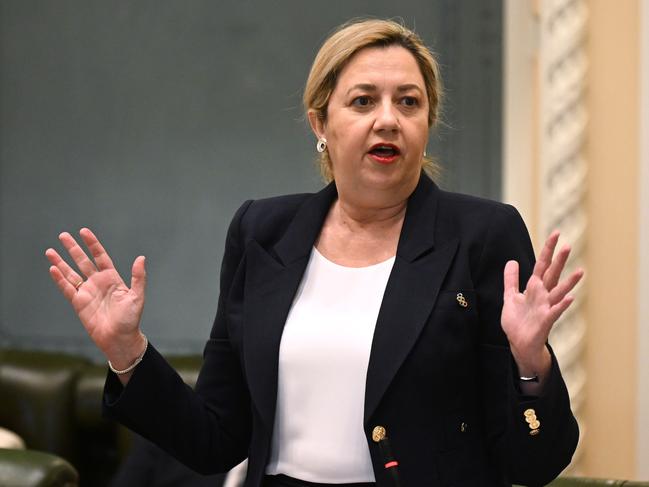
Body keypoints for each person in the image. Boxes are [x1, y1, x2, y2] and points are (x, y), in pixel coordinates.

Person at [45, 19, 582, 487]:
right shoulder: (262, 232)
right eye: (364, 100)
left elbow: (532, 464)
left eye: (409, 102)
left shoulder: (482, 235)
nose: (388, 119)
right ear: (321, 124)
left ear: (427, 124)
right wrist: (128, 352)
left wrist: (531, 364)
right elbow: (214, 438)